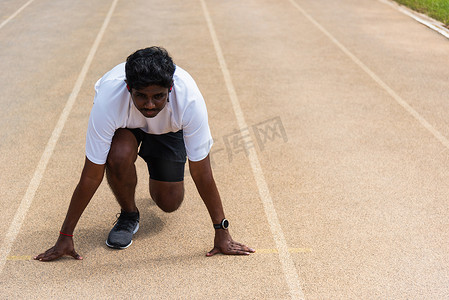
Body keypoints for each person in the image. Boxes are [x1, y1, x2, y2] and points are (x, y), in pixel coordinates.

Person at [34, 46, 255, 261]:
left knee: (169, 202)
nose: (149, 105)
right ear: (129, 88)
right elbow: (92, 175)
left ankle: (159, 166)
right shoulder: (109, 101)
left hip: (168, 128)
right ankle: (129, 215)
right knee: (118, 156)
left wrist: (221, 231)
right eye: (141, 96)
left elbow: (201, 172)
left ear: (170, 89)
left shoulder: (189, 100)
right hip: (126, 126)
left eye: (158, 96)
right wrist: (65, 236)